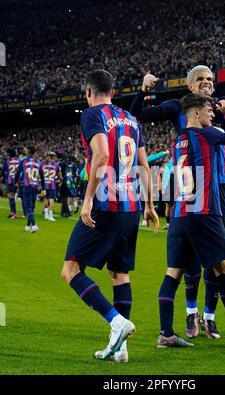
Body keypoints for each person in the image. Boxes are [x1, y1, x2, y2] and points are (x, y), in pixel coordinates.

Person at [130, 66, 225, 340]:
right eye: (201, 79)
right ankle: (191, 313)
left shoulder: (221, 105)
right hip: (195, 190)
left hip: (219, 187)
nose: (208, 83)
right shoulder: (179, 108)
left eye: (210, 79)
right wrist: (143, 90)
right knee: (193, 260)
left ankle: (209, 317)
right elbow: (138, 115)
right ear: (189, 86)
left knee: (218, 259)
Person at [61, 70, 159, 363]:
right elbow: (143, 164)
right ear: (113, 92)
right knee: (119, 274)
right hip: (132, 207)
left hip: (106, 203)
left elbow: (101, 156)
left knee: (70, 271)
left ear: (88, 93)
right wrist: (151, 205)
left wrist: (87, 200)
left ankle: (116, 322)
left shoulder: (93, 114)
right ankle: (121, 349)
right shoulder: (131, 119)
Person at [157, 93, 225, 347]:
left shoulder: (177, 141)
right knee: (223, 267)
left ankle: (165, 334)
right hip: (204, 213)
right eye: (209, 110)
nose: (213, 114)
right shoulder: (207, 135)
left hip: (180, 216)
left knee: (174, 272)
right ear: (195, 113)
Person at [15, 147, 46, 233]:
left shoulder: (24, 162)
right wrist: (43, 188)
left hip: (27, 186)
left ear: (28, 152)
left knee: (29, 207)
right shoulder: (38, 163)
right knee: (32, 207)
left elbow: (17, 173)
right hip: (35, 187)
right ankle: (28, 226)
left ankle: (35, 225)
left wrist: (15, 182)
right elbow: (42, 177)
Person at [42, 151, 61, 221]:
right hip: (52, 185)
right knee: (52, 201)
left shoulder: (43, 164)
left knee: (46, 199)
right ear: (54, 157)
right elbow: (59, 175)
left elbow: (40, 174)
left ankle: (46, 215)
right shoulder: (56, 165)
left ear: (48, 156)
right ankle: (50, 216)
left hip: (45, 185)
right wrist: (60, 180)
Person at [2, 148, 20, 219]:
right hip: (17, 181)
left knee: (10, 196)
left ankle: (14, 213)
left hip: (10, 181)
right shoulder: (19, 161)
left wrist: (3, 177)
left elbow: (3, 171)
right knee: (11, 196)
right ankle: (12, 212)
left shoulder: (7, 161)